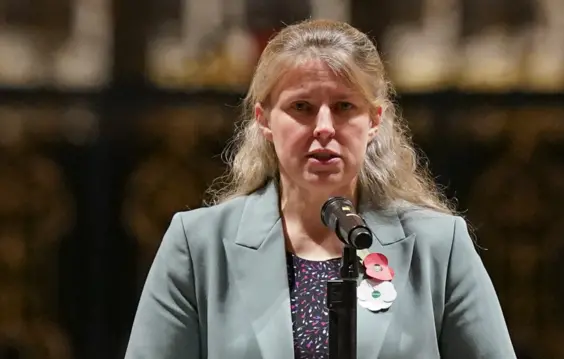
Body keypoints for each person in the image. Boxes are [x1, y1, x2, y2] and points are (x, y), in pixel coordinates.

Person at [124, 19, 516, 359]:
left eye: (345, 107)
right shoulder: (198, 246)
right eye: (302, 107)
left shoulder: (439, 246)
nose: (324, 127)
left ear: (374, 120)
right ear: (264, 120)